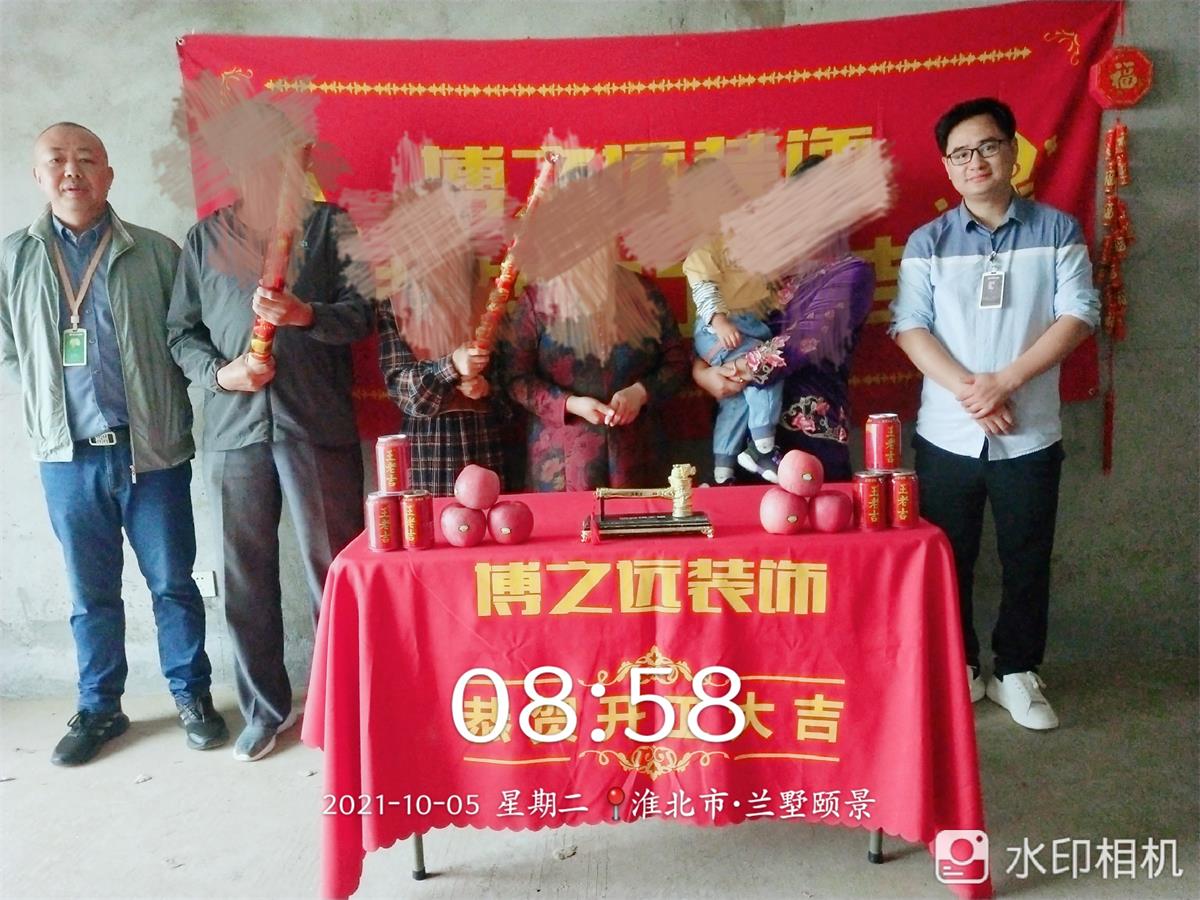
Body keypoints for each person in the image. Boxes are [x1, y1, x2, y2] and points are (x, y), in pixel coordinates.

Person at [0, 123, 226, 766]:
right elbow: (9, 348)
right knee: (89, 592)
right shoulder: (13, 258)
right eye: (57, 160)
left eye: (86, 159)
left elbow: (188, 335)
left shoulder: (157, 253)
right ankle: (100, 707)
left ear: (108, 174)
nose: (72, 171)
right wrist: (46, 399)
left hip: (150, 450)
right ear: (38, 175)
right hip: (67, 456)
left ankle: (192, 695)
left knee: (173, 582)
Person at [890, 97, 1099, 730]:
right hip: (947, 433)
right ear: (947, 167)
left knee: (1027, 556)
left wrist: (1006, 383)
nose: (974, 161)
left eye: (987, 146)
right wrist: (971, 392)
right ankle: (959, 663)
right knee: (946, 557)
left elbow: (1079, 314)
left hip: (1028, 430)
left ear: (1012, 151)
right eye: (960, 153)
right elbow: (910, 326)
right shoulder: (927, 241)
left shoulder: (1056, 230)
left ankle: (1016, 671)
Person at [167, 143, 372, 761]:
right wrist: (221, 375)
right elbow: (181, 334)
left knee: (335, 573)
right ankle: (264, 711)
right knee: (245, 578)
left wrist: (306, 315)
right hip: (234, 430)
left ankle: (347, 709)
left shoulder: (332, 227)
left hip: (317, 423)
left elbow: (365, 314)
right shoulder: (204, 239)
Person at [692, 226, 874, 484]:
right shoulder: (760, 276)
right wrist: (702, 373)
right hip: (743, 437)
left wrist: (732, 371)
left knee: (815, 502)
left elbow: (805, 340)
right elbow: (715, 329)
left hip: (809, 434)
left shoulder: (850, 271)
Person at [502, 242, 690, 492]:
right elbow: (516, 378)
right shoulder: (537, 300)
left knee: (639, 516)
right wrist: (570, 404)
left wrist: (640, 392)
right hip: (562, 460)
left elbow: (677, 363)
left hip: (638, 454)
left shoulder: (644, 294)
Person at [377, 251, 507, 495]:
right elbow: (401, 389)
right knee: (429, 515)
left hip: (482, 436)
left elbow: (512, 381)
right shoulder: (396, 302)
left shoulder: (489, 296)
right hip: (428, 442)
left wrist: (486, 388)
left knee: (489, 512)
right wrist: (451, 366)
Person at [684, 235, 784, 484]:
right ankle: (762, 450)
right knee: (764, 367)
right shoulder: (706, 243)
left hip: (747, 327)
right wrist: (719, 322)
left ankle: (722, 471)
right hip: (722, 329)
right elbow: (704, 288)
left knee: (736, 399)